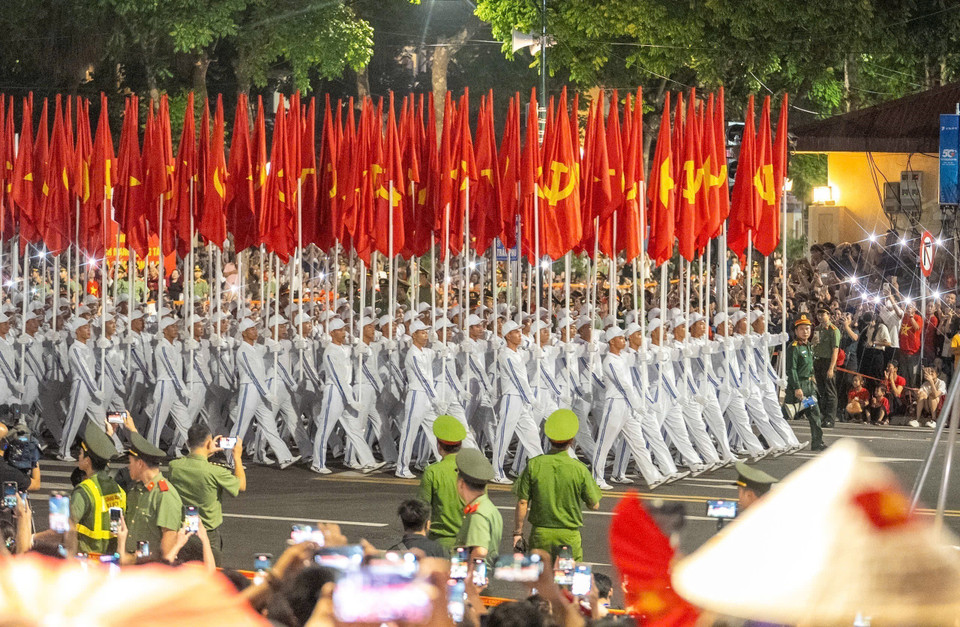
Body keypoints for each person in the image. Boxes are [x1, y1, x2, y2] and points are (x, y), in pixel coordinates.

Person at [513, 409, 601, 561]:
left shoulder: (534, 465)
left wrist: (518, 533)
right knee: (567, 581)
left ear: (549, 438)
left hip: (541, 535)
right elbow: (594, 505)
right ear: (571, 441)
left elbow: (522, 502)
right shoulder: (579, 469)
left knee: (542, 580)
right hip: (569, 536)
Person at [168, 423, 246, 565]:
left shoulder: (175, 466)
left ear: (187, 443)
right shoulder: (215, 472)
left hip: (182, 533)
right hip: (208, 534)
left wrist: (208, 452)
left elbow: (194, 462)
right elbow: (241, 486)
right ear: (209, 442)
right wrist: (237, 458)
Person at [123, 430, 184, 563]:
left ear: (140, 464)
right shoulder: (137, 490)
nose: (128, 467)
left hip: (150, 569)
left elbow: (169, 540)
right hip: (132, 565)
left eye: (131, 462)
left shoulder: (164, 495)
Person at [70, 422, 126, 555]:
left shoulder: (84, 490)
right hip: (111, 560)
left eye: (81, 453)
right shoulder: (118, 489)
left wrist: (33, 538)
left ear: (88, 461)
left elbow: (65, 528)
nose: (78, 456)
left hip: (87, 562)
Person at [417, 415, 465, 553]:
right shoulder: (473, 470)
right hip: (469, 542)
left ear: (439, 445)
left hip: (440, 543)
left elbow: (422, 508)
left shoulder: (433, 471)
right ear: (460, 445)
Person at [454, 448, 502, 566]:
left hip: (472, 580)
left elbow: (480, 552)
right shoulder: (488, 507)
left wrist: (469, 581)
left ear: (461, 483)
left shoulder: (478, 514)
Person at [786, 315, 825, 451]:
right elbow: (791, 369)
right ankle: (764, 439)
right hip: (797, 387)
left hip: (809, 387)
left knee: (814, 413)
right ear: (796, 331)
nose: (805, 331)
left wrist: (813, 377)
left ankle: (817, 443)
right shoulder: (794, 347)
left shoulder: (809, 346)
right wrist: (796, 387)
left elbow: (809, 366)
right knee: (785, 414)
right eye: (801, 329)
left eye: (807, 328)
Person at [813, 306, 840, 428]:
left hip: (828, 361)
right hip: (818, 361)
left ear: (829, 315)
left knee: (830, 392)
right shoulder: (818, 329)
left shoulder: (833, 330)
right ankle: (823, 415)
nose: (820, 316)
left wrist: (831, 368)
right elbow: (815, 345)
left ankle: (830, 418)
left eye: (823, 314)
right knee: (821, 391)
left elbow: (835, 350)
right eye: (819, 314)